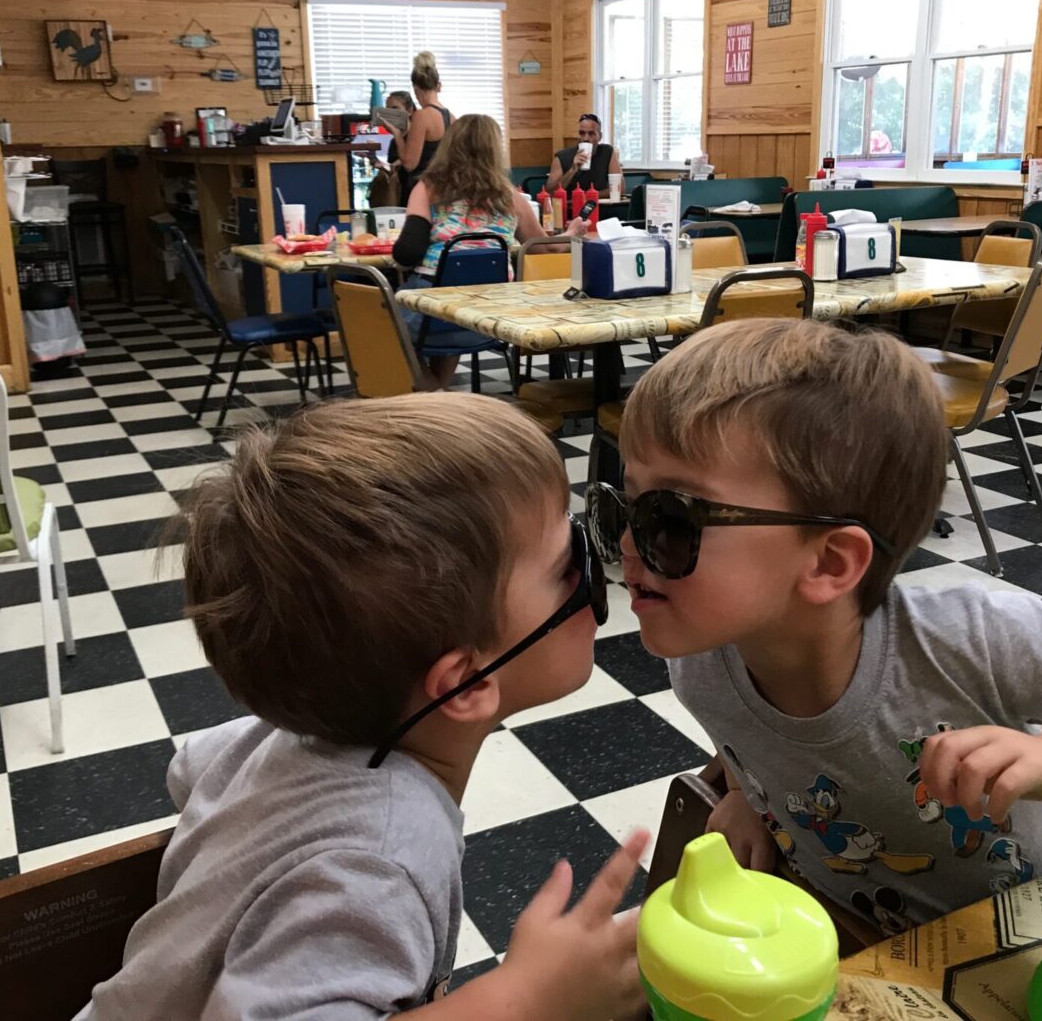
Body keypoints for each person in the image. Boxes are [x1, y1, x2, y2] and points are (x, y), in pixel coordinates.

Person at [586, 318, 1042, 931]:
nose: (626, 540)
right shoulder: (700, 661)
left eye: (669, 517)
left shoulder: (959, 640)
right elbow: (752, 734)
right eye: (625, 503)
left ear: (829, 562)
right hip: (849, 934)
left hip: (1022, 935)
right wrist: (748, 795)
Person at [77, 395, 648, 1020]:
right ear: (465, 682)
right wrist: (525, 1002)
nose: (600, 558)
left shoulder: (269, 739)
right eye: (572, 566)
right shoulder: (376, 860)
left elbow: (188, 771)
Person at [393, 113, 587, 389]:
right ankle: (438, 396)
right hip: (491, 317)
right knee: (454, 301)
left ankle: (435, 398)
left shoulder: (428, 187)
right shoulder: (510, 195)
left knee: (382, 326)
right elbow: (545, 248)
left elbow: (407, 252)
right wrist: (571, 234)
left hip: (432, 314)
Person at [382, 52, 451, 202]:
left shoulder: (422, 116)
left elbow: (409, 164)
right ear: (438, 86)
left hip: (422, 191)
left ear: (415, 89)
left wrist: (397, 134)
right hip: (443, 190)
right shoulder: (451, 117)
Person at [546, 113, 624, 196]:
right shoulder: (562, 157)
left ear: (599, 137)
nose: (586, 138)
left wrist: (588, 196)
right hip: (571, 207)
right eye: (582, 133)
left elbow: (619, 188)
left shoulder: (607, 152)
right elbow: (550, 193)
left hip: (601, 206)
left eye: (591, 133)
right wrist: (572, 170)